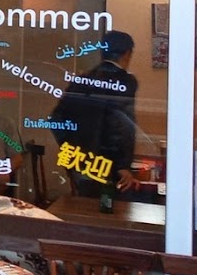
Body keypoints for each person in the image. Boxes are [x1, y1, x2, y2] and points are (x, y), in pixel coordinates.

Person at [49, 30, 140, 199]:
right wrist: (122, 164)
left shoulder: (81, 80)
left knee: (85, 206)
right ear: (127, 54)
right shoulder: (125, 81)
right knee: (110, 207)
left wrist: (70, 148)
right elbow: (120, 125)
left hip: (80, 161)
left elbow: (56, 118)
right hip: (108, 163)